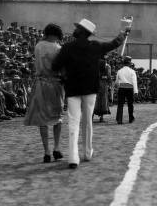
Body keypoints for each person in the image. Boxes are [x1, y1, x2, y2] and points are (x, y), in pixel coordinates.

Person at [52, 18, 126, 169]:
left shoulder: (67, 47)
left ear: (80, 31)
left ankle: (73, 158)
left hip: (72, 89)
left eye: (78, 27)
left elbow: (55, 66)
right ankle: (87, 152)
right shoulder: (95, 46)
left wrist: (64, 71)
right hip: (90, 88)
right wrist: (123, 34)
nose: (75, 28)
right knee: (87, 121)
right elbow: (113, 44)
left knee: (73, 123)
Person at [24, 24, 65, 163]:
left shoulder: (38, 46)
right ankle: (57, 148)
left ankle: (46, 151)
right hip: (55, 84)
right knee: (57, 117)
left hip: (40, 84)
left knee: (42, 119)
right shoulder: (58, 48)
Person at [115, 56, 138, 124]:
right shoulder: (132, 71)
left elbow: (116, 82)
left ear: (123, 64)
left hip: (121, 88)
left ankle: (119, 119)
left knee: (120, 104)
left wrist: (117, 87)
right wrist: (136, 91)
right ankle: (131, 118)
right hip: (130, 88)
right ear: (129, 64)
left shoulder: (119, 71)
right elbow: (134, 82)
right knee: (130, 104)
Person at [93, 56, 112, 122]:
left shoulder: (95, 65)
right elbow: (109, 76)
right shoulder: (108, 66)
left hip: (96, 84)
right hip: (104, 84)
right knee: (103, 100)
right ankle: (101, 117)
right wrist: (109, 84)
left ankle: (91, 117)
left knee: (95, 100)